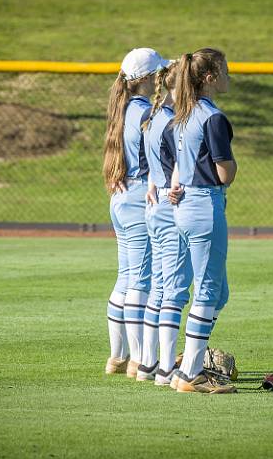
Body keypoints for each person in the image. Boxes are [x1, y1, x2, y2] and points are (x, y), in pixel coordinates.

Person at [168, 48, 237, 394]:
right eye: (224, 71)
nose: (228, 76)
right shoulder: (212, 116)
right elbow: (225, 173)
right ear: (209, 77)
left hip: (185, 207)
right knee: (207, 291)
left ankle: (191, 361)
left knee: (218, 293)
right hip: (205, 205)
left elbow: (172, 158)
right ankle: (190, 373)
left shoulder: (182, 113)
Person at [103, 48, 170, 378]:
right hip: (139, 199)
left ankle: (117, 357)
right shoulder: (145, 111)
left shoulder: (124, 105)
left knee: (127, 277)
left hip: (120, 196)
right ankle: (139, 360)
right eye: (160, 72)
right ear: (147, 78)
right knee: (141, 282)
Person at [134, 62, 185, 385]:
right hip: (170, 204)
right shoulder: (171, 120)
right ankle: (166, 368)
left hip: (154, 205)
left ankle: (148, 364)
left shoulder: (151, 115)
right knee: (174, 291)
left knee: (159, 287)